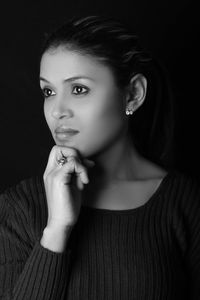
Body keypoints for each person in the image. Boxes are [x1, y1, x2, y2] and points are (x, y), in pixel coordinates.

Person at [0, 14, 199, 300]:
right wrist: (57, 229)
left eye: (78, 89)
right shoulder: (17, 209)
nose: (57, 110)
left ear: (133, 95)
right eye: (48, 91)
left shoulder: (185, 204)